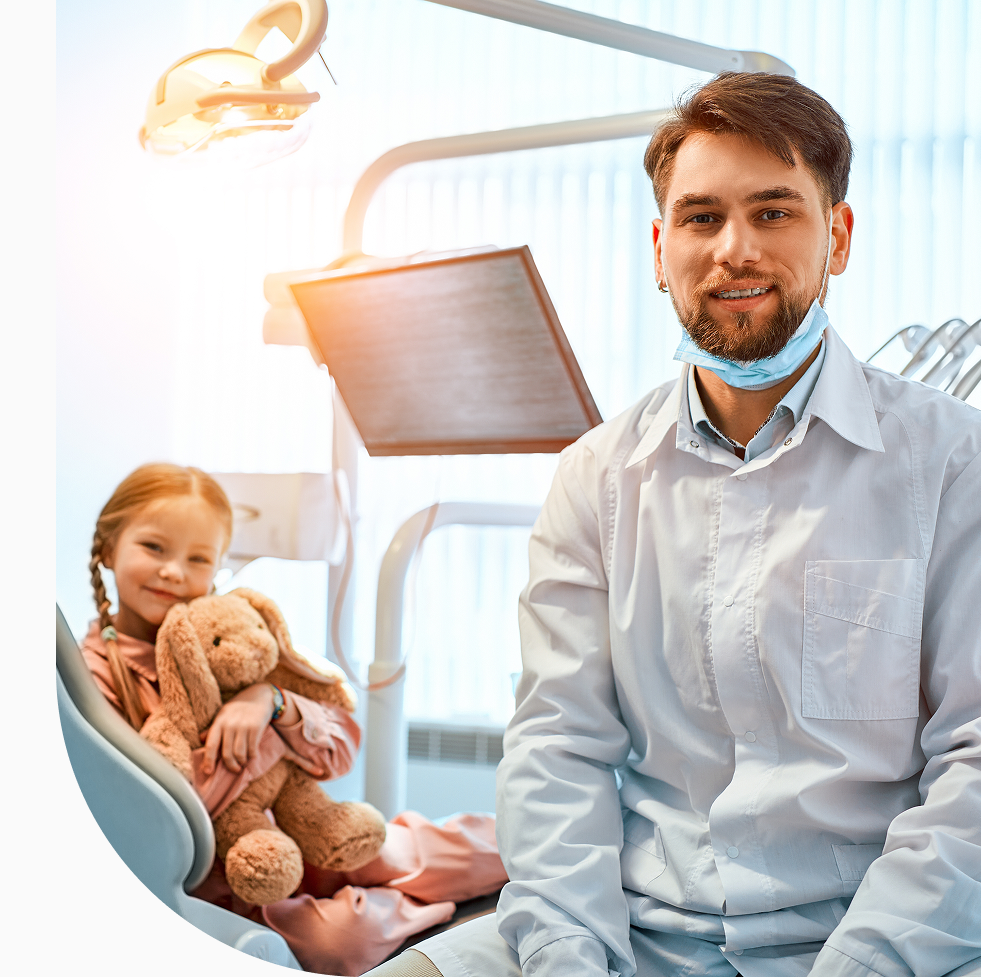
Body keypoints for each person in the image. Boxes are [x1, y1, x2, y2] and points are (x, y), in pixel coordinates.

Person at [366, 73, 981, 977]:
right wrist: (572, 955)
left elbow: (972, 764)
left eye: (774, 213)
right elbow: (558, 746)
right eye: (700, 218)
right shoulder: (597, 475)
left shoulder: (949, 462)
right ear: (660, 250)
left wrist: (865, 964)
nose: (734, 249)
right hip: (634, 927)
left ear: (837, 237)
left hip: (869, 936)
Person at [81, 463, 507, 975]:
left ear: (217, 567)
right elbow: (156, 813)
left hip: (308, 825)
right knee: (339, 945)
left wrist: (271, 701)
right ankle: (428, 911)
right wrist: (265, 746)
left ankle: (564, 846)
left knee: (475, 853)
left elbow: (344, 742)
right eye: (154, 548)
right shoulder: (93, 678)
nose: (174, 571)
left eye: (198, 558)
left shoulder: (243, 634)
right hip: (236, 875)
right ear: (108, 548)